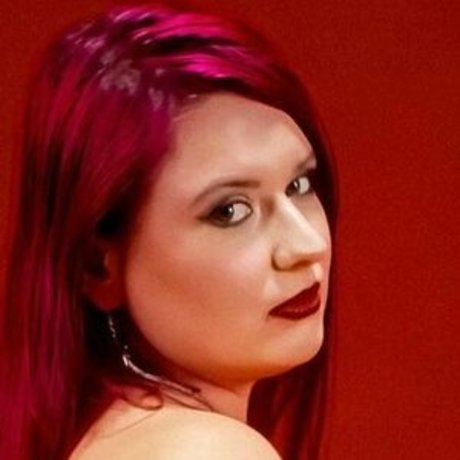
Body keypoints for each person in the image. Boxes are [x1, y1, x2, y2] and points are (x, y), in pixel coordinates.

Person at [0, 4, 338, 460]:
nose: (307, 246)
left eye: (299, 186)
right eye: (230, 211)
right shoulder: (205, 449)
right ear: (98, 266)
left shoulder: (121, 438)